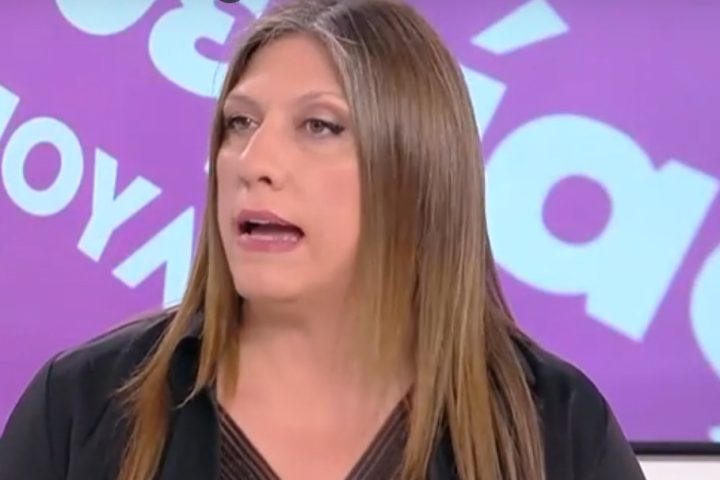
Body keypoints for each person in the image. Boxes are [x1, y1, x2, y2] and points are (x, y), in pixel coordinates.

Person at [0, 1, 647, 479]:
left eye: (319, 126)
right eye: (240, 122)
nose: (254, 161)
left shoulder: (557, 429)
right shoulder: (79, 407)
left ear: (417, 169)